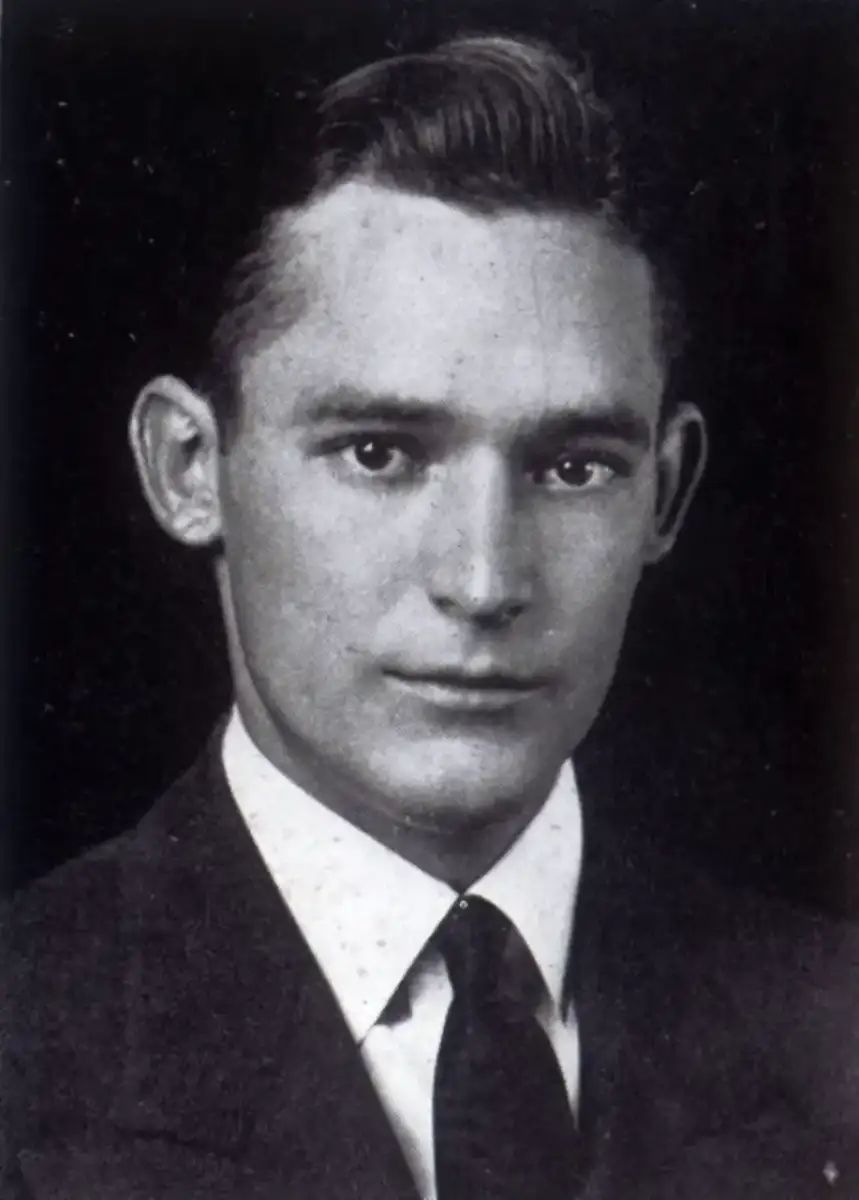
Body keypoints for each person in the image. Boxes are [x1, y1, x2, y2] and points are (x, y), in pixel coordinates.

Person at [2, 31, 853, 1200]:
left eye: (573, 467)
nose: (485, 577)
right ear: (189, 468)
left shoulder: (833, 1033)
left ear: (669, 490)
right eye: (380, 452)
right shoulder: (27, 1042)